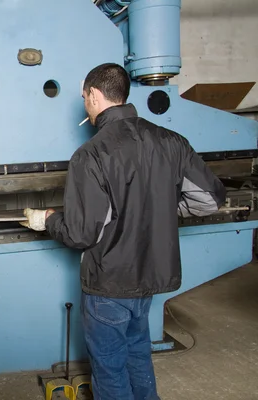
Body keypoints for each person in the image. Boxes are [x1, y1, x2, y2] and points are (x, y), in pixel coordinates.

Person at [20, 63, 226, 399]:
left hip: (109, 283)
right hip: (148, 279)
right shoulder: (171, 141)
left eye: (85, 96)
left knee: (110, 367)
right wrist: (158, 209)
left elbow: (82, 234)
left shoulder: (90, 155)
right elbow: (210, 200)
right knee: (137, 352)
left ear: (96, 96)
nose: (85, 102)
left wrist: (48, 218)